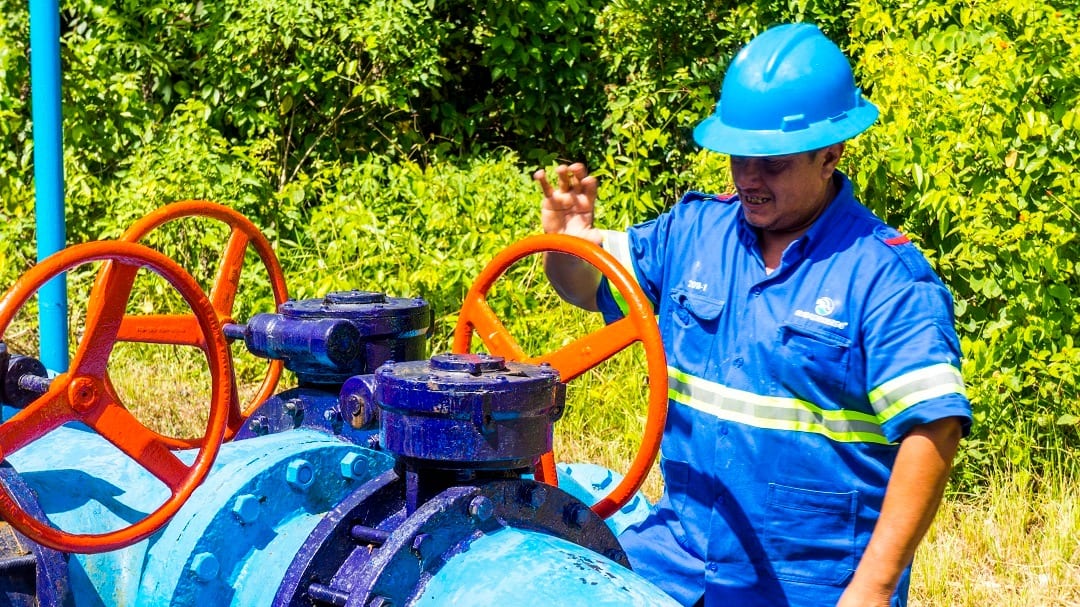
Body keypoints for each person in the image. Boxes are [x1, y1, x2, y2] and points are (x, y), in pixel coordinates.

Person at [535, 23, 972, 607]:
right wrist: (568, 244)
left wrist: (871, 588)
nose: (749, 178)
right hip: (680, 557)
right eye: (739, 158)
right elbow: (588, 286)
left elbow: (934, 428)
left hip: (809, 579)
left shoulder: (884, 277)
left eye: (773, 163)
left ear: (830, 155)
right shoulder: (694, 232)